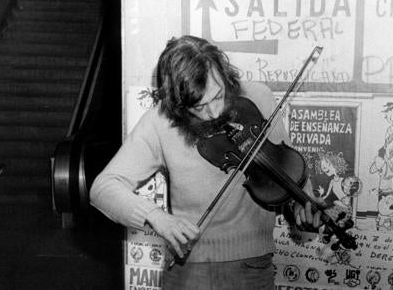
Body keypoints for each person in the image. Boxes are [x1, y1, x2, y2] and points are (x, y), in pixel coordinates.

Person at [89, 35, 322, 289]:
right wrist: (155, 216)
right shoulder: (160, 121)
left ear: (224, 72)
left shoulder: (259, 97)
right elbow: (103, 188)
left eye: (218, 95)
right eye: (198, 107)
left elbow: (286, 167)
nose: (213, 112)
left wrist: (303, 205)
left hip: (251, 266)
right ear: (176, 102)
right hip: (189, 267)